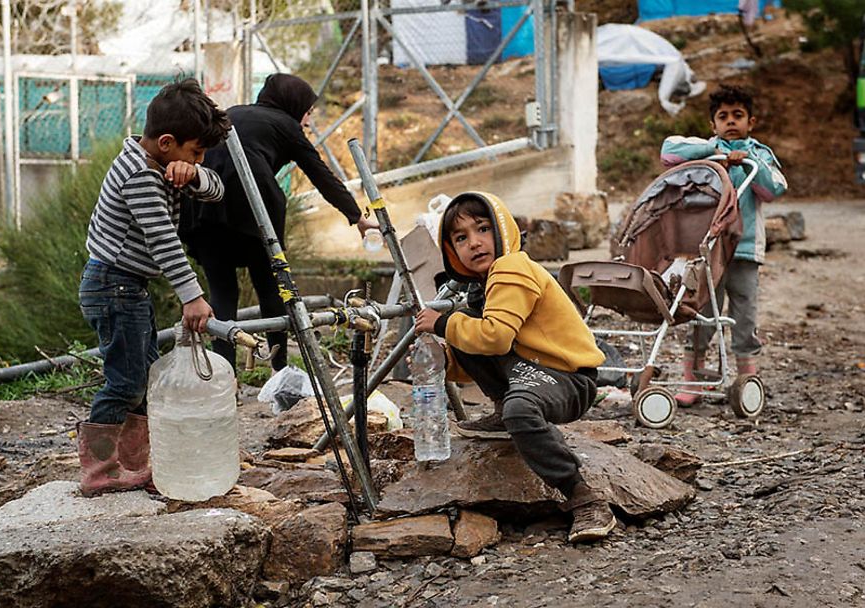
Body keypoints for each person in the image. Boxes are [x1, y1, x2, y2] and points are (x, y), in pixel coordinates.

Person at [413, 192, 614, 544]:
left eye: (483, 229)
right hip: (531, 371)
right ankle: (505, 409)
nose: (474, 242)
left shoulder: (512, 268)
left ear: (503, 228)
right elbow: (483, 346)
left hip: (567, 378)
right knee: (468, 322)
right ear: (451, 249)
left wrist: (443, 324)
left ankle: (584, 497)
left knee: (520, 408)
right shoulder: (483, 287)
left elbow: (495, 339)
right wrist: (444, 361)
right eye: (461, 238)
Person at [77, 78, 230, 497]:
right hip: (113, 285)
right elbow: (163, 241)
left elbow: (217, 191)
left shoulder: (156, 162)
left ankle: (132, 462)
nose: (198, 159)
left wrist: (195, 172)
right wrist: (193, 297)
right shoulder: (140, 177)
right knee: (125, 382)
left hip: (129, 286)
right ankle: (99, 472)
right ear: (167, 142)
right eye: (195, 151)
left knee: (144, 374)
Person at [180, 73, 378, 372]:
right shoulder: (286, 125)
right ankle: (279, 371)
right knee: (273, 289)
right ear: (293, 105)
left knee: (222, 294)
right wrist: (358, 217)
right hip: (254, 208)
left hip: (203, 207)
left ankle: (224, 376)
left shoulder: (234, 113)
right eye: (308, 112)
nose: (308, 122)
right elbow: (321, 175)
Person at [660, 84, 787, 405]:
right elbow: (669, 152)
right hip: (708, 249)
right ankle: (694, 378)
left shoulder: (760, 154)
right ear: (712, 124)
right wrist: (713, 153)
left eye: (738, 115)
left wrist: (745, 163)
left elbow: (774, 189)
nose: (731, 121)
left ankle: (747, 377)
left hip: (744, 250)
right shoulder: (705, 149)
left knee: (744, 314)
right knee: (702, 310)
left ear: (751, 122)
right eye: (723, 116)